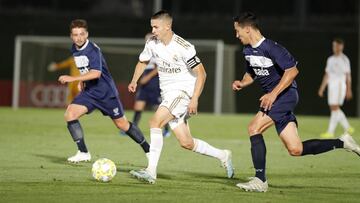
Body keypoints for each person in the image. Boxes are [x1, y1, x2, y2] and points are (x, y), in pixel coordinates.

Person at [232, 12, 360, 192]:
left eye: (238, 31)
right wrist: (242, 82)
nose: (236, 35)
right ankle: (343, 142)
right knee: (296, 149)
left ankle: (260, 180)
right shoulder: (247, 51)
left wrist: (273, 94)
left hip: (285, 96)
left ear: (247, 29)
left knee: (254, 128)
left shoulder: (272, 48)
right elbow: (251, 73)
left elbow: (292, 72)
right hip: (276, 98)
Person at [128, 10, 234, 184]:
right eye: (152, 27)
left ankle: (151, 171)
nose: (153, 30)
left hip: (182, 93)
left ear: (167, 26)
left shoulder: (184, 47)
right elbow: (143, 61)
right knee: (186, 142)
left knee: (155, 122)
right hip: (168, 95)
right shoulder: (152, 43)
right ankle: (223, 155)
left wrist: (194, 99)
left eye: (156, 27)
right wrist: (134, 80)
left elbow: (202, 73)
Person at [58, 19, 150, 163]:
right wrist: (82, 80)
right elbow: (86, 68)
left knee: (122, 125)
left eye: (82, 34)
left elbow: (96, 73)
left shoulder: (92, 50)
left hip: (106, 93)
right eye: (75, 35)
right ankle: (83, 152)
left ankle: (149, 150)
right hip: (90, 92)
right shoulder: (74, 48)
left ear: (87, 34)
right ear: (71, 36)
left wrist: (73, 78)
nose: (79, 37)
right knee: (70, 114)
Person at [122, 33, 170, 137]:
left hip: (154, 82)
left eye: (150, 39)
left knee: (159, 108)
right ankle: (132, 130)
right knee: (138, 106)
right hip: (145, 83)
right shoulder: (146, 52)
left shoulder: (159, 51)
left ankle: (166, 130)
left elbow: (159, 67)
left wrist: (147, 78)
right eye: (146, 40)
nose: (147, 41)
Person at [318, 38, 354, 138]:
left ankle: (332, 131)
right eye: (334, 45)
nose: (335, 48)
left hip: (339, 86)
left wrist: (349, 89)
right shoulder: (330, 59)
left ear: (341, 46)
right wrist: (322, 87)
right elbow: (327, 74)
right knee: (333, 108)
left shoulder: (344, 59)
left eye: (337, 45)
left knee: (335, 107)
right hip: (331, 86)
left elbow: (348, 75)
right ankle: (347, 128)